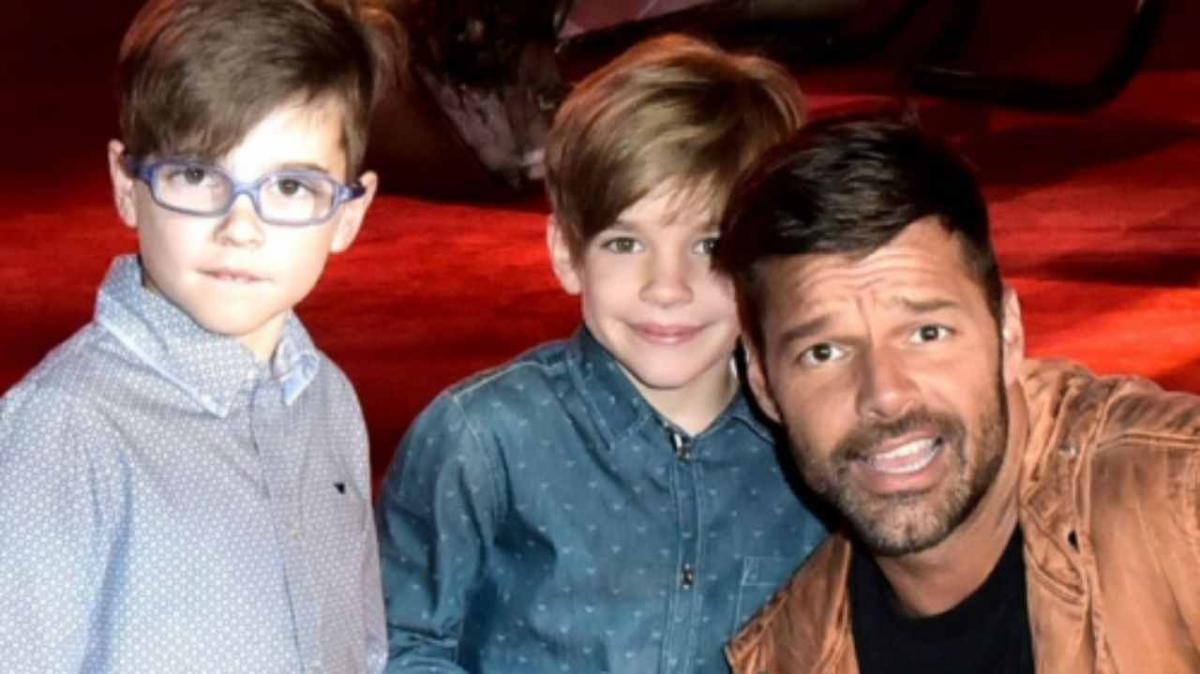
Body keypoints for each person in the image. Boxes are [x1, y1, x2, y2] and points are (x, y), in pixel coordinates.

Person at [375, 34, 828, 673]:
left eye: (709, 246)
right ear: (567, 254)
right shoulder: (482, 439)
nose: (667, 288)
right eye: (625, 243)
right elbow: (398, 642)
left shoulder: (809, 444)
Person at [715, 117, 1200, 674]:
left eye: (927, 333)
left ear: (1007, 334)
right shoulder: (791, 657)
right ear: (764, 384)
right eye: (824, 352)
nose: (885, 394)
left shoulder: (1181, 503)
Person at [0, 0, 398, 670]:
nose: (240, 228)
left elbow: (359, 645)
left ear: (349, 215)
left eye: (291, 187)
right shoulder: (63, 431)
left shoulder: (328, 400)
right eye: (196, 175)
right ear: (126, 187)